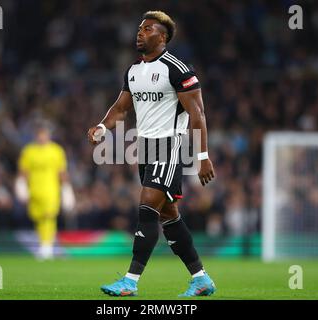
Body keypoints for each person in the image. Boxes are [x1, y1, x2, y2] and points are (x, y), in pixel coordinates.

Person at [87, 11, 216, 297]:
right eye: (140, 28)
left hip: (169, 145)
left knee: (147, 207)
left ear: (163, 36)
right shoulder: (133, 70)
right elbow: (120, 108)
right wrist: (101, 126)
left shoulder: (177, 68)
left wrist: (202, 155)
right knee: (169, 216)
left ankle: (130, 281)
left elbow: (198, 114)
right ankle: (201, 278)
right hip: (145, 148)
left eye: (148, 29)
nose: (140, 33)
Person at [15, 119, 75, 260]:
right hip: (34, 190)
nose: (42, 136)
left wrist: (66, 189)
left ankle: (46, 247)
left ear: (49, 135)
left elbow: (62, 172)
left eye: (44, 134)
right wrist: (21, 186)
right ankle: (44, 244)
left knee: (49, 216)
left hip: (51, 190)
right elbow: (23, 171)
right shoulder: (29, 151)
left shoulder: (56, 151)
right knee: (38, 218)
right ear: (36, 135)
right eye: (39, 134)